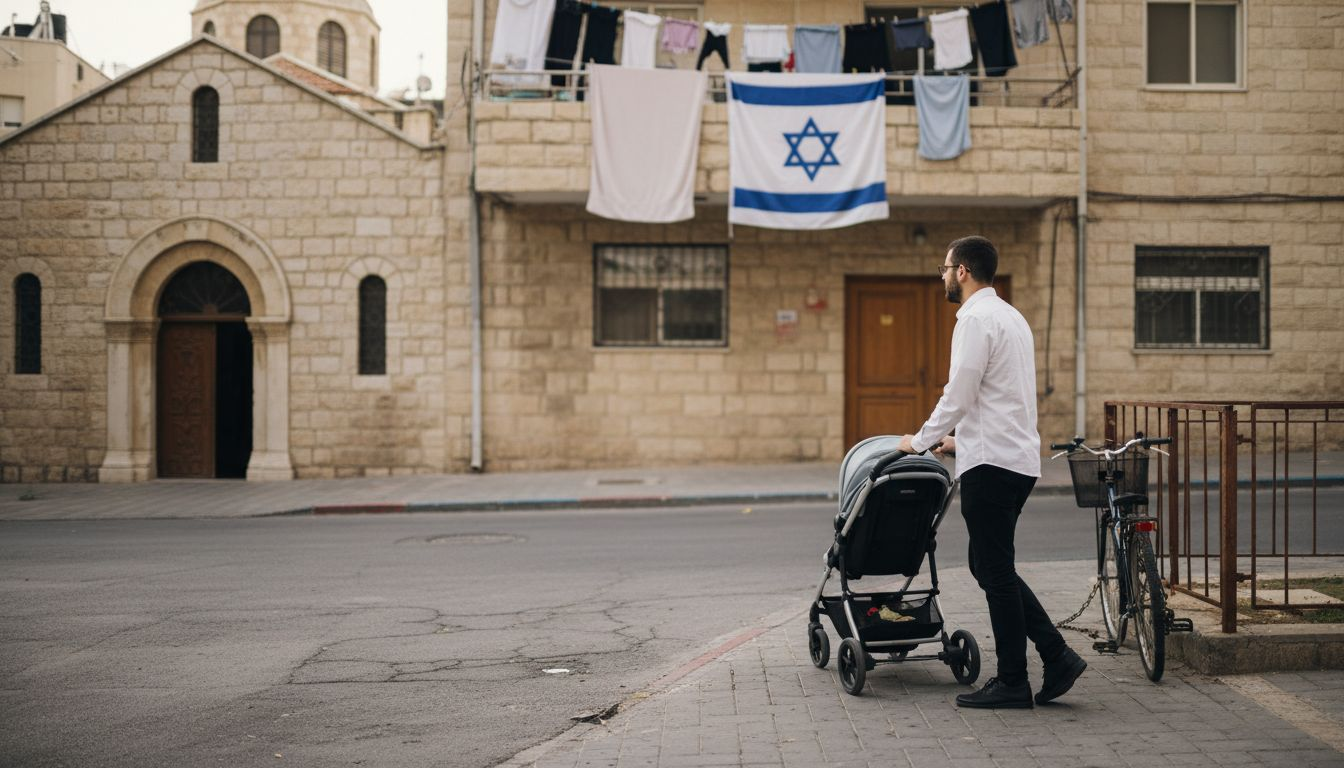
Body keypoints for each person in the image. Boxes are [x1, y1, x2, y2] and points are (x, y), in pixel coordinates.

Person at [897, 235, 1086, 709]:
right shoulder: (1011, 317)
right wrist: (960, 443)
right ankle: (1056, 654)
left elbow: (959, 393)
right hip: (1012, 457)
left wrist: (917, 441)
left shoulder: (975, 319)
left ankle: (1014, 680)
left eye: (944, 268)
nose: (942, 276)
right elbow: (1003, 397)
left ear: (962, 270)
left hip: (994, 466)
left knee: (995, 571)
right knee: (989, 565)